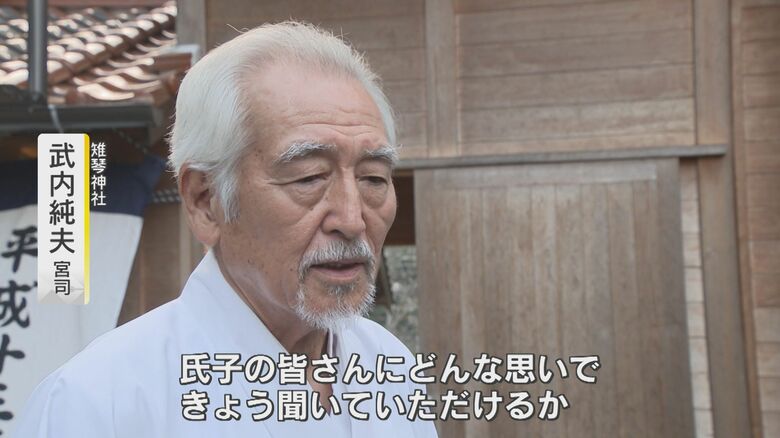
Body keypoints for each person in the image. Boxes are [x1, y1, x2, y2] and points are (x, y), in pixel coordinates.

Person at [14, 21, 438, 438]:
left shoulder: (390, 368)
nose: (351, 219)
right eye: (309, 177)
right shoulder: (98, 405)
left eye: (373, 178)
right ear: (205, 200)